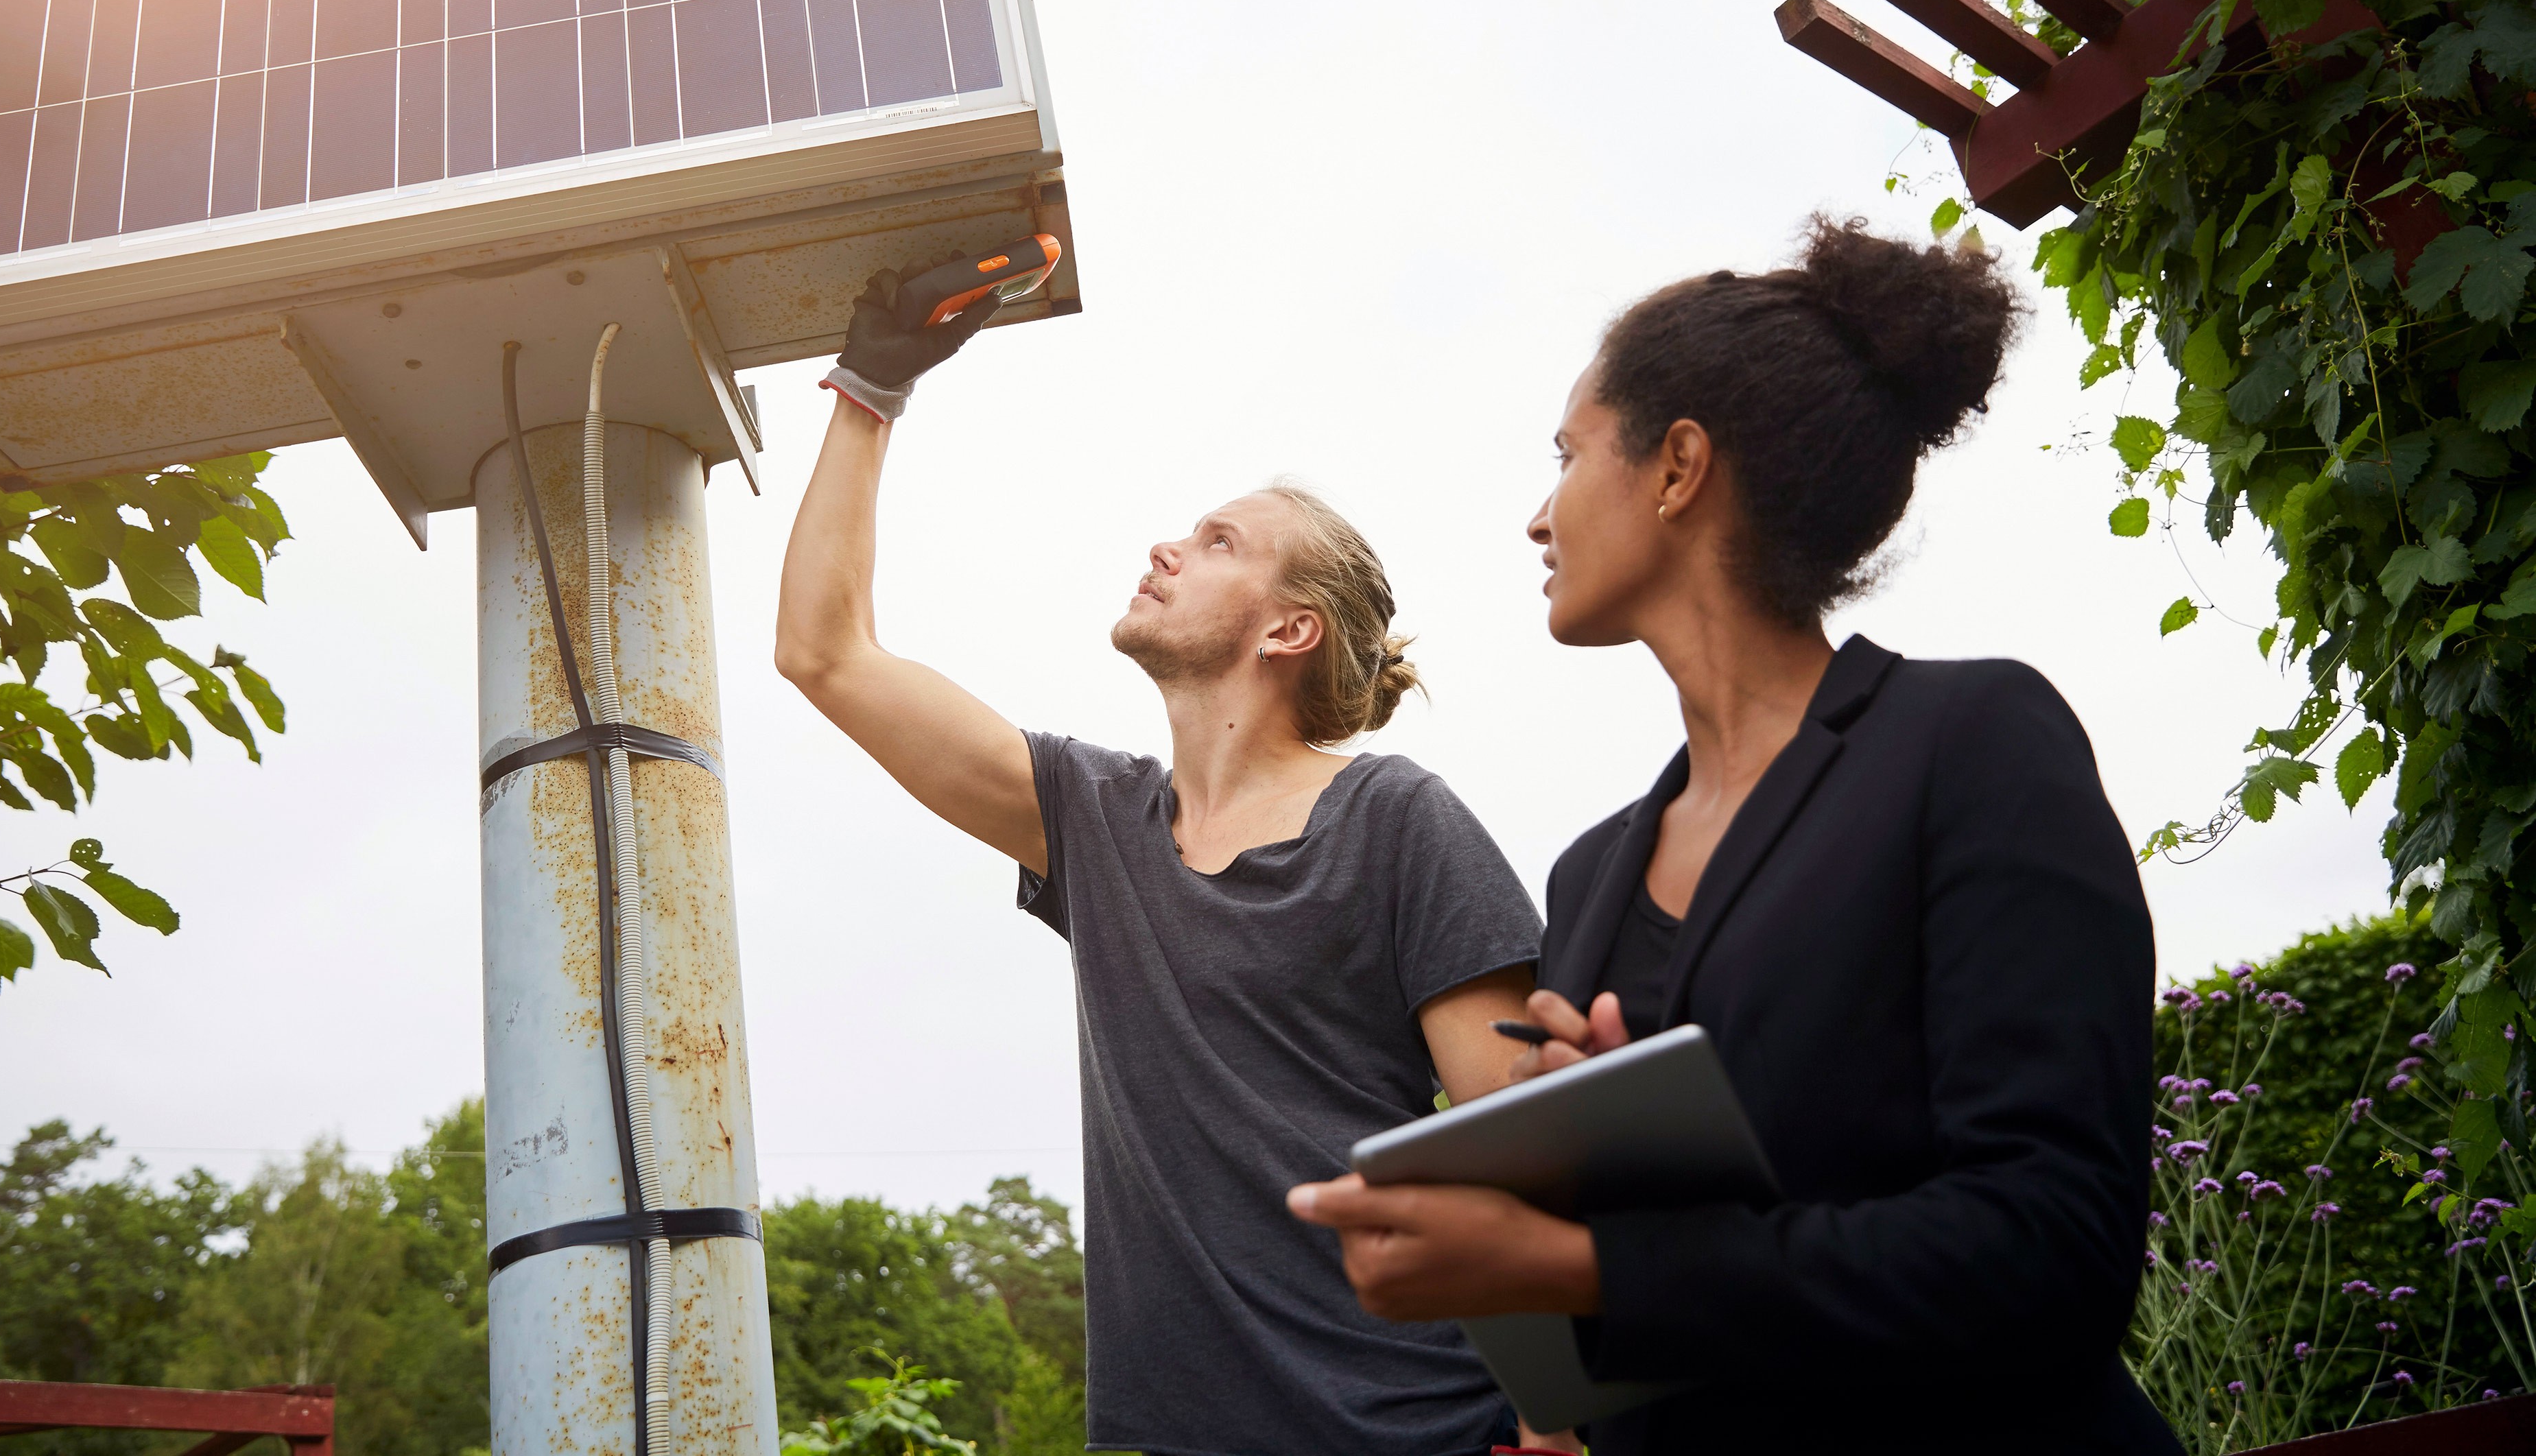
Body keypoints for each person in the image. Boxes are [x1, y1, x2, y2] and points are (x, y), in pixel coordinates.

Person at [1288, 218, 2181, 1454]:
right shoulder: (1591, 876)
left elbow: (2051, 1251)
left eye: (1567, 455)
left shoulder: (1970, 742)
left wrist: (1586, 1260)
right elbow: (1694, 1280)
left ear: (1677, 467)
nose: (1537, 519)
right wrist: (1568, 1205)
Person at [774, 265, 1550, 1456]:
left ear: (1289, 629)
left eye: (1217, 540)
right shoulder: (1091, 821)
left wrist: (1554, 1414)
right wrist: (871, 385)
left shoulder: (1399, 824)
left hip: (1413, 1430)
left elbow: (1527, 1152)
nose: (1168, 546)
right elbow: (825, 653)